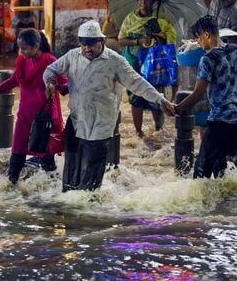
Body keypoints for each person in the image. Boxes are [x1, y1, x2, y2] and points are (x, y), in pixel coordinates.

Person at [43, 20, 176, 192]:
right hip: (77, 120)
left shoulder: (115, 61)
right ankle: (69, 207)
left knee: (91, 174)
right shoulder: (72, 56)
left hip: (101, 123)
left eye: (91, 45)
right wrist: (50, 83)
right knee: (71, 168)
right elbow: (50, 70)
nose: (87, 49)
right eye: (83, 45)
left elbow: (137, 83)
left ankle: (87, 208)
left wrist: (160, 99)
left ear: (102, 41)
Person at [174, 15, 237, 179]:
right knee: (221, 166)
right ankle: (224, 202)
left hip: (220, 121)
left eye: (199, 38)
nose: (198, 42)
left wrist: (178, 108)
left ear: (206, 35)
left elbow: (198, 93)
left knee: (200, 172)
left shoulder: (207, 60)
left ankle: (204, 203)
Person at [0, 29, 67, 184]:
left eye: (24, 48)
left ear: (36, 46)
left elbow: (65, 86)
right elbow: (13, 81)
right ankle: (10, 186)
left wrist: (54, 85)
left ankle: (52, 194)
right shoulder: (23, 61)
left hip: (44, 119)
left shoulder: (50, 61)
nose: (20, 51)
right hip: (24, 115)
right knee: (17, 151)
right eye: (19, 48)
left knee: (46, 160)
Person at [118, 0, 178, 137]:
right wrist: (138, 42)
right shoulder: (130, 19)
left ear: (153, 2)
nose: (143, 2)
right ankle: (138, 132)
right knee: (135, 97)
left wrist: (159, 34)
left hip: (154, 65)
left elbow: (170, 41)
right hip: (134, 63)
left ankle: (159, 131)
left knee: (157, 96)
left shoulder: (161, 19)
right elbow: (121, 40)